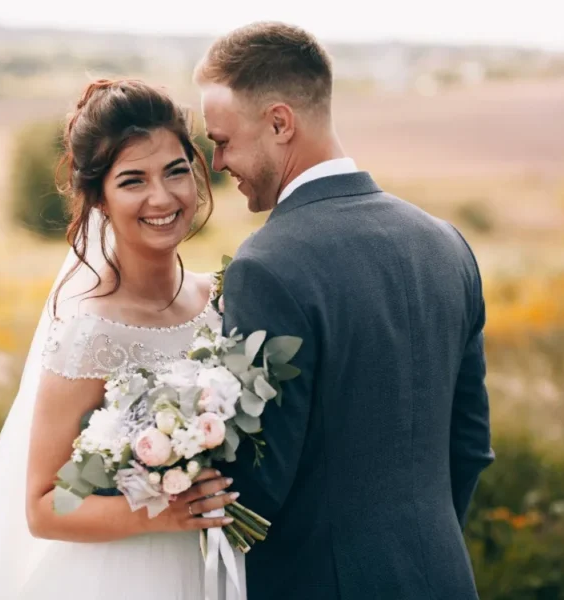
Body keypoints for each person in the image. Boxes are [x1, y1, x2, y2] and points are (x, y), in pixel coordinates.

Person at [194, 21, 495, 600]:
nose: (216, 161)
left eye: (223, 140)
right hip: (443, 577)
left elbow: (256, 487)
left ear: (280, 123)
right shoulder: (446, 242)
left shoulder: (267, 265)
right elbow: (470, 445)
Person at [0, 78, 245, 600]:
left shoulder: (219, 298)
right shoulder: (89, 332)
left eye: (176, 171)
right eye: (133, 180)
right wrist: (163, 512)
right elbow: (42, 507)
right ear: (98, 199)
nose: (162, 196)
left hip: (221, 564)